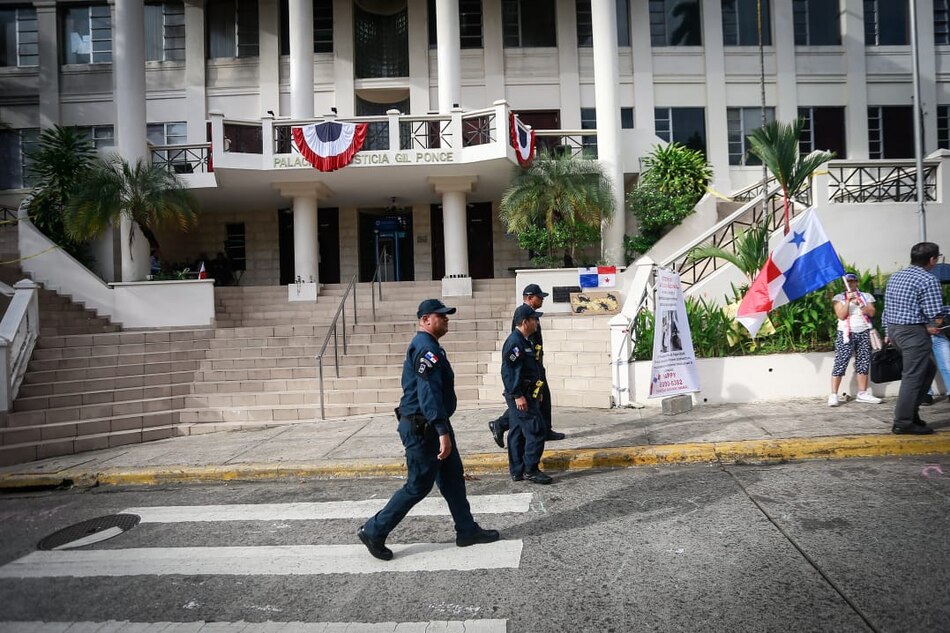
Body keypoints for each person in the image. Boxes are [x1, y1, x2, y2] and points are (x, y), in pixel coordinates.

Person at [357, 299, 500, 561]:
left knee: (453, 478)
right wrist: (442, 430)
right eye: (441, 316)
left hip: (431, 425)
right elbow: (428, 393)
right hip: (424, 428)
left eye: (447, 316)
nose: (446, 320)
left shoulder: (431, 346)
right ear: (425, 320)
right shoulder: (426, 348)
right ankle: (374, 530)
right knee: (418, 485)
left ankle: (466, 530)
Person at [488, 284, 566, 448]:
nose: (542, 299)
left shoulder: (532, 315)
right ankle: (501, 424)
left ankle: (545, 428)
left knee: (543, 397)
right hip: (530, 365)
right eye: (539, 297)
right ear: (529, 298)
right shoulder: (523, 315)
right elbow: (523, 342)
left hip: (536, 364)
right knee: (528, 403)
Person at [883, 242, 945, 434]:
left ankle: (911, 413)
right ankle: (903, 422)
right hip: (913, 333)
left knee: (927, 369)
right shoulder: (928, 280)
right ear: (932, 259)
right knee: (913, 377)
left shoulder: (896, 276)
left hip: (895, 330)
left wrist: (887, 332)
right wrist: (935, 325)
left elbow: (888, 307)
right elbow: (935, 313)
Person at [501, 303, 552, 484]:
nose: (537, 323)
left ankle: (517, 470)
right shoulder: (515, 343)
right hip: (521, 395)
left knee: (517, 432)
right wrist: (517, 395)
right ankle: (531, 469)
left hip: (528, 393)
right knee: (536, 430)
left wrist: (537, 392)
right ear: (525, 322)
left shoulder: (524, 340)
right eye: (534, 319)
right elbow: (508, 372)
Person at [828, 273, 882, 406]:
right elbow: (841, 315)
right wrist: (847, 301)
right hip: (846, 333)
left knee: (863, 362)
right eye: (848, 281)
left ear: (857, 282)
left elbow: (872, 312)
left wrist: (861, 304)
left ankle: (862, 393)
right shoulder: (838, 298)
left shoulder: (866, 296)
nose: (851, 283)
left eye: (853, 281)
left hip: (863, 331)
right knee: (840, 362)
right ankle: (834, 394)